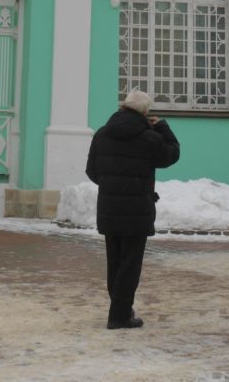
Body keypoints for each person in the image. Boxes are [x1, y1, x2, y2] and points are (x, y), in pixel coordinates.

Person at [85, 90, 181, 330]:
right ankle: (118, 316)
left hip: (109, 208)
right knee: (130, 265)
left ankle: (122, 311)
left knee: (115, 263)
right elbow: (171, 155)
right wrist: (163, 128)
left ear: (123, 106)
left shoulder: (102, 134)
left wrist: (111, 185)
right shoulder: (149, 138)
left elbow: (92, 171)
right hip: (138, 208)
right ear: (145, 113)